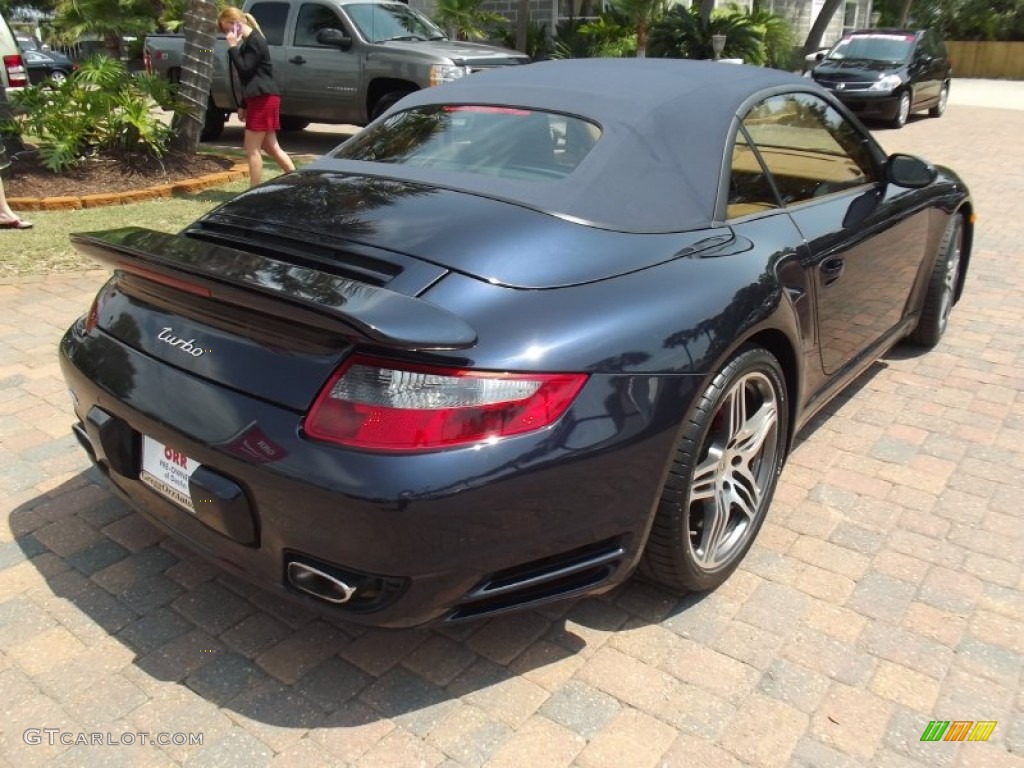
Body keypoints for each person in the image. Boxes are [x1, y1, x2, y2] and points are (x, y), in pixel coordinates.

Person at [219, 7, 295, 186]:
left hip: (264, 98)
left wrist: (232, 48)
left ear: (236, 23)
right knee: (271, 147)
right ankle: (296, 180)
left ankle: (253, 189)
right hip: (260, 97)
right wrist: (244, 104)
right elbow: (252, 77)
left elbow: (245, 70)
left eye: (227, 28)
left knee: (252, 148)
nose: (227, 33)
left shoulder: (255, 41)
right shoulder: (249, 42)